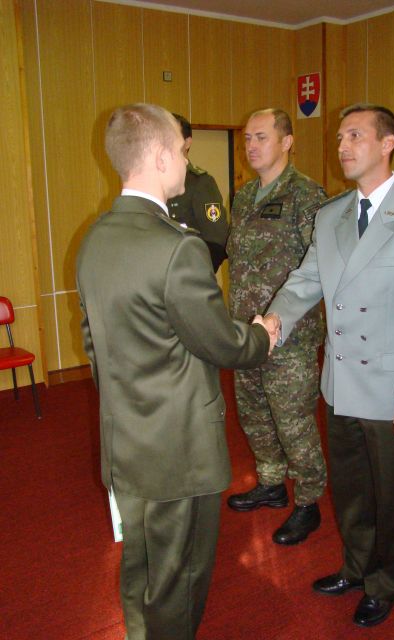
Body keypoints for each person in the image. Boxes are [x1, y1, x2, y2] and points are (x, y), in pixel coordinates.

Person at [76, 103, 275, 640]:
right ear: (162, 157)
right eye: (183, 152)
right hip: (179, 454)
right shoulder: (176, 248)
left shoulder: (94, 239)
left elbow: (96, 347)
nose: (188, 162)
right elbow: (222, 343)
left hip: (125, 443)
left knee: (142, 569)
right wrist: (263, 334)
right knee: (178, 582)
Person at [265, 103, 394, 626]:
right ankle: (355, 567)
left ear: (388, 143)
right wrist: (275, 319)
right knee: (351, 490)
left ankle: (385, 582)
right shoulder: (330, 215)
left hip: (393, 389)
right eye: (339, 138)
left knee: (392, 496)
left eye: (355, 135)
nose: (343, 146)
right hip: (342, 383)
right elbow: (306, 280)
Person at [226, 108, 328, 545]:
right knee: (253, 413)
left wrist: (281, 320)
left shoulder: (307, 195)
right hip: (245, 332)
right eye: (247, 138)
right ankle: (270, 482)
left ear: (287, 142)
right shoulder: (244, 196)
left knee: (293, 421)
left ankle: (308, 500)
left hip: (291, 336)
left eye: (261, 137)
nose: (251, 146)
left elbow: (319, 266)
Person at [167, 113, 229, 271]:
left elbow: (217, 241)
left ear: (187, 142)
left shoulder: (200, 182)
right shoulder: (153, 182)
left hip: (186, 275)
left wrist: (193, 276)